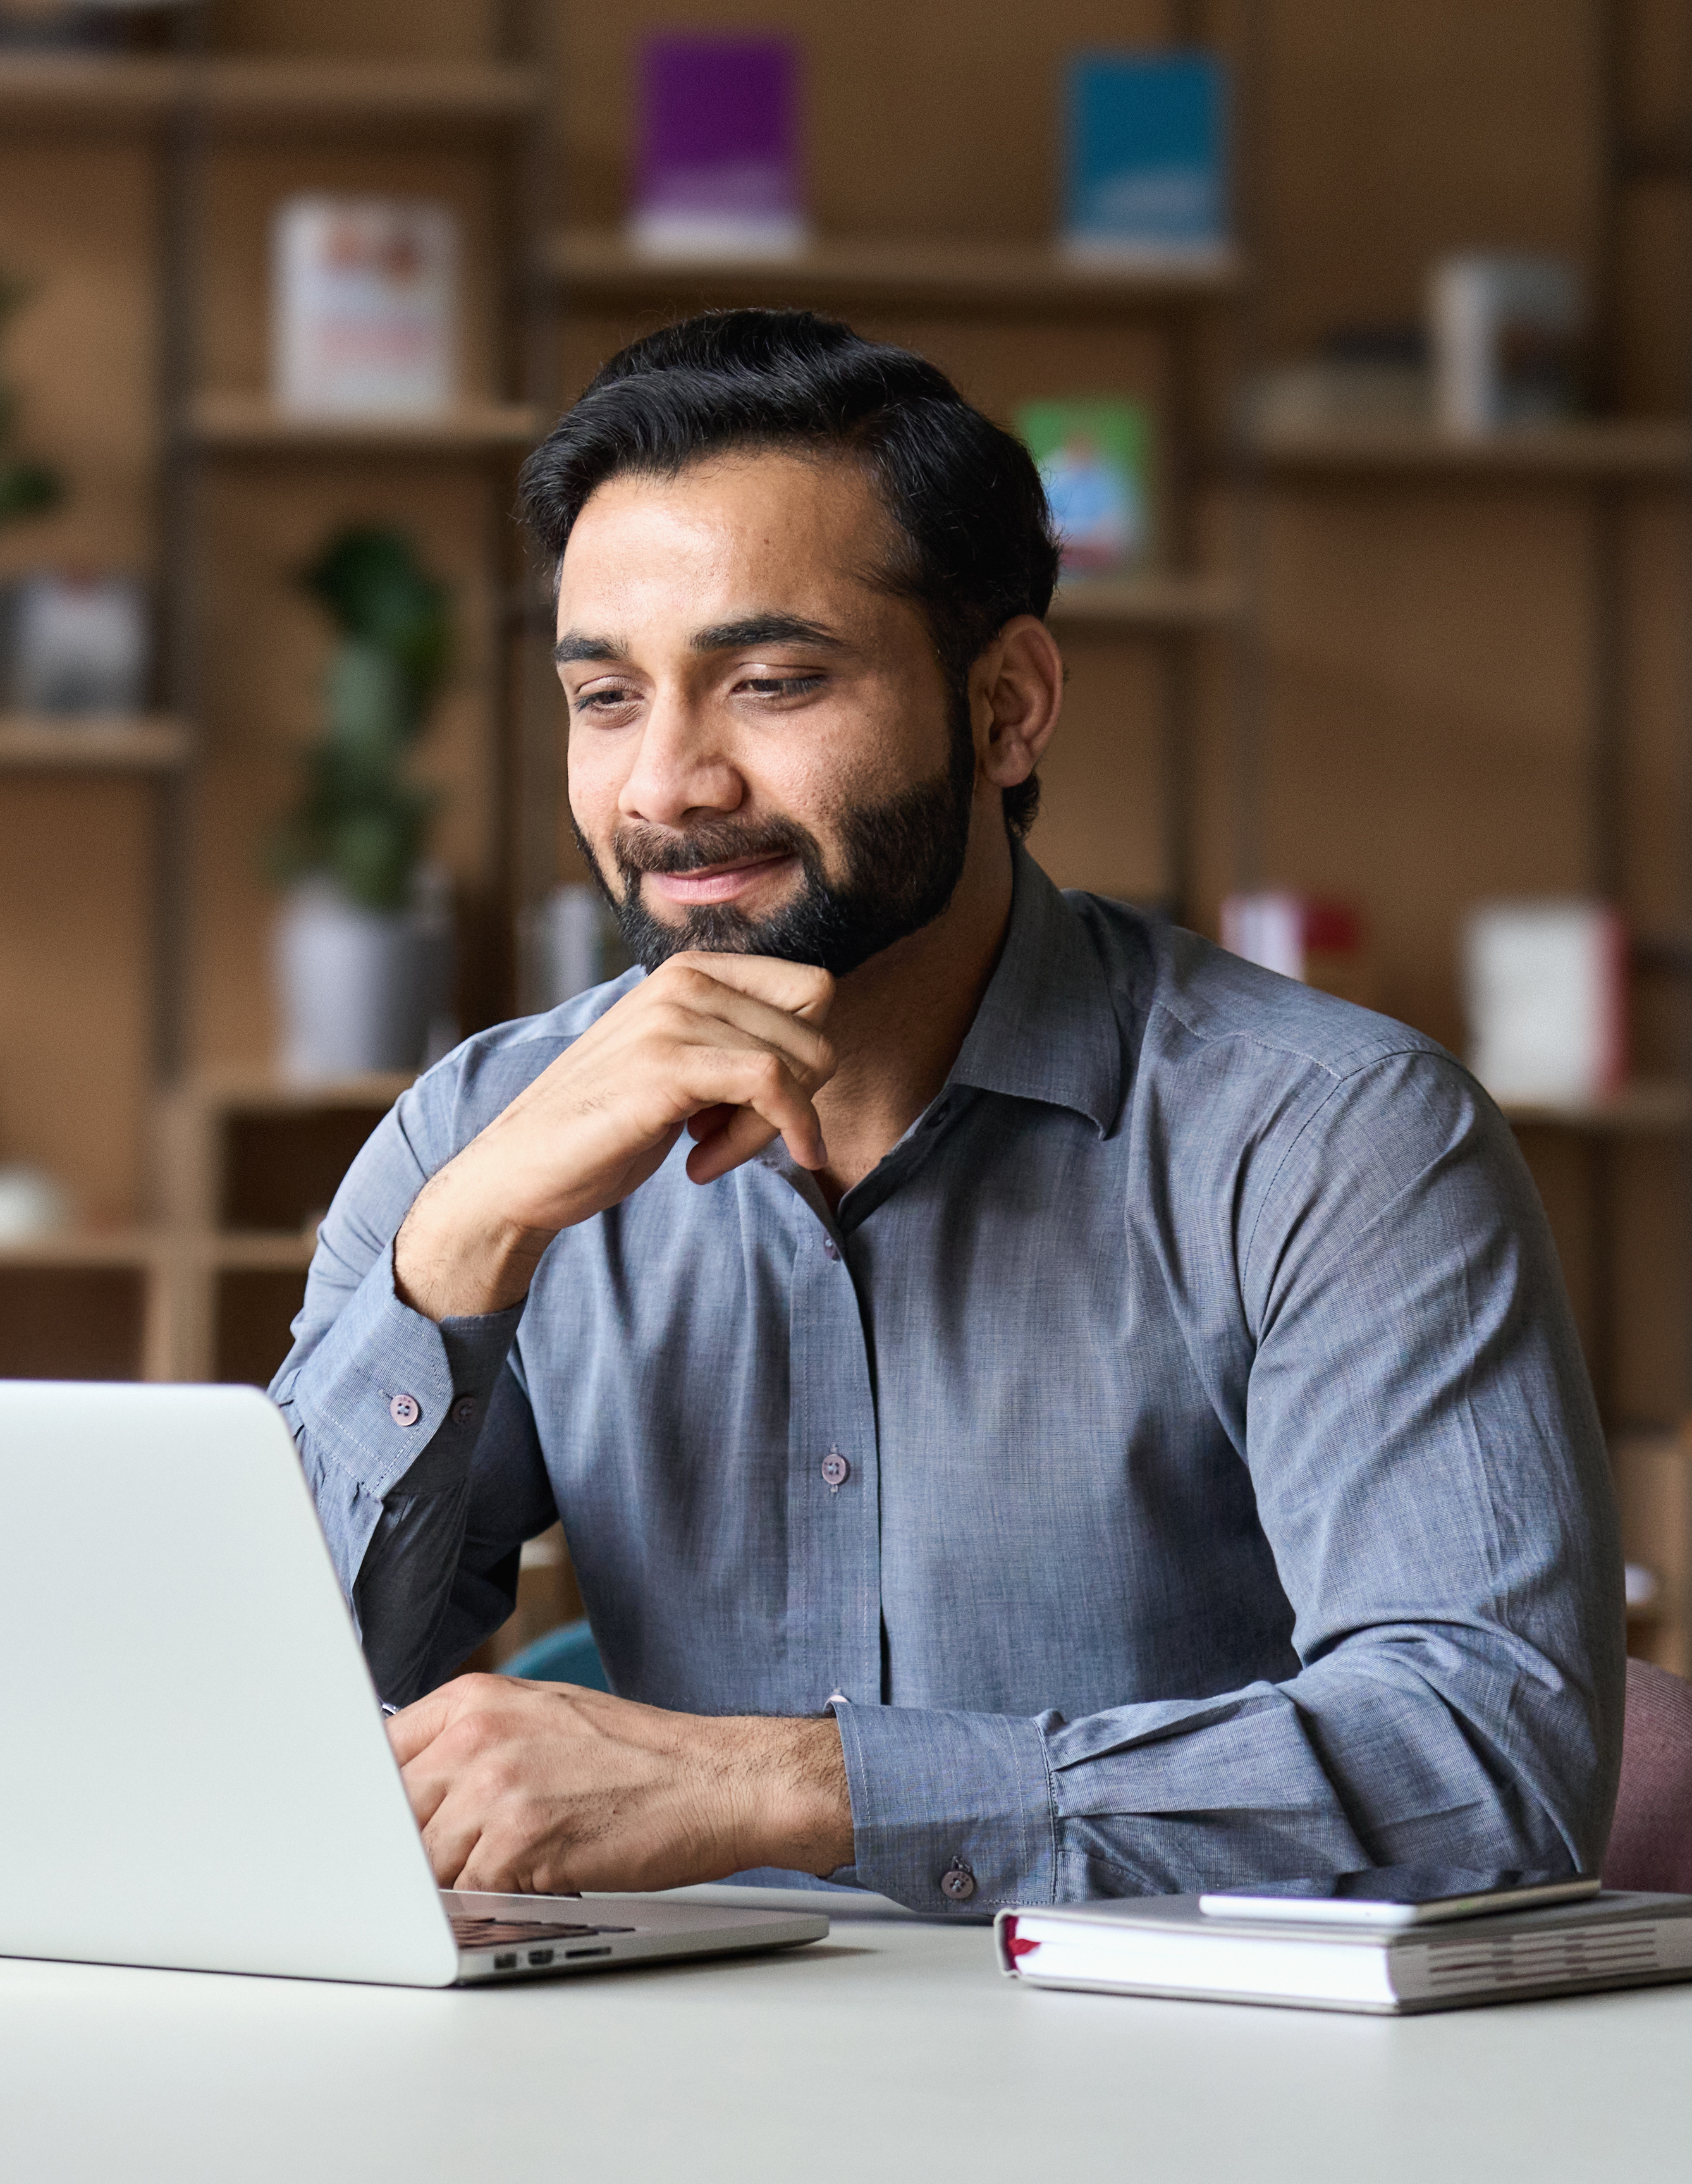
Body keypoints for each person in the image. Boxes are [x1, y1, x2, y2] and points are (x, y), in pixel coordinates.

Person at [273, 309, 1622, 1915]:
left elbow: (1488, 1763)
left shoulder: (1333, 1138)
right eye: (606, 697)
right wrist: (459, 1258)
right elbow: (241, 1723)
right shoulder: (475, 1138)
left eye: (768, 680)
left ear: (1005, 706)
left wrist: (791, 1784)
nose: (664, 787)